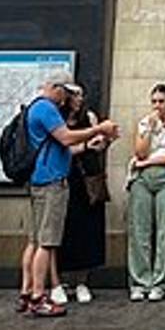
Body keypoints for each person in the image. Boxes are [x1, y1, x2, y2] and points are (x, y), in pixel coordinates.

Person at [20, 70, 115, 318]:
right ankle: (39, 296)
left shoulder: (35, 107)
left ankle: (27, 291)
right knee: (46, 242)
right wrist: (98, 129)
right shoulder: (47, 108)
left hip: (40, 180)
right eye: (66, 92)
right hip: (50, 181)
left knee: (34, 240)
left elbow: (65, 146)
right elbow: (66, 138)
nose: (67, 98)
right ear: (56, 88)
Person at [126, 84, 165, 301]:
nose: (157, 106)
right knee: (140, 230)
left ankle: (161, 282)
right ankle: (140, 281)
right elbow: (139, 153)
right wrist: (148, 129)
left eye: (161, 101)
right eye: (154, 101)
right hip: (142, 179)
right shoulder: (144, 122)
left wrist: (146, 162)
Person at [56, 84, 109, 306]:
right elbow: (63, 149)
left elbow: (101, 142)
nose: (79, 98)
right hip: (65, 177)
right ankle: (59, 281)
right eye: (74, 94)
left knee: (87, 229)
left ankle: (82, 281)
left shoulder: (90, 116)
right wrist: (87, 144)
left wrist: (101, 143)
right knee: (63, 230)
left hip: (88, 180)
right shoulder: (57, 120)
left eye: (81, 94)